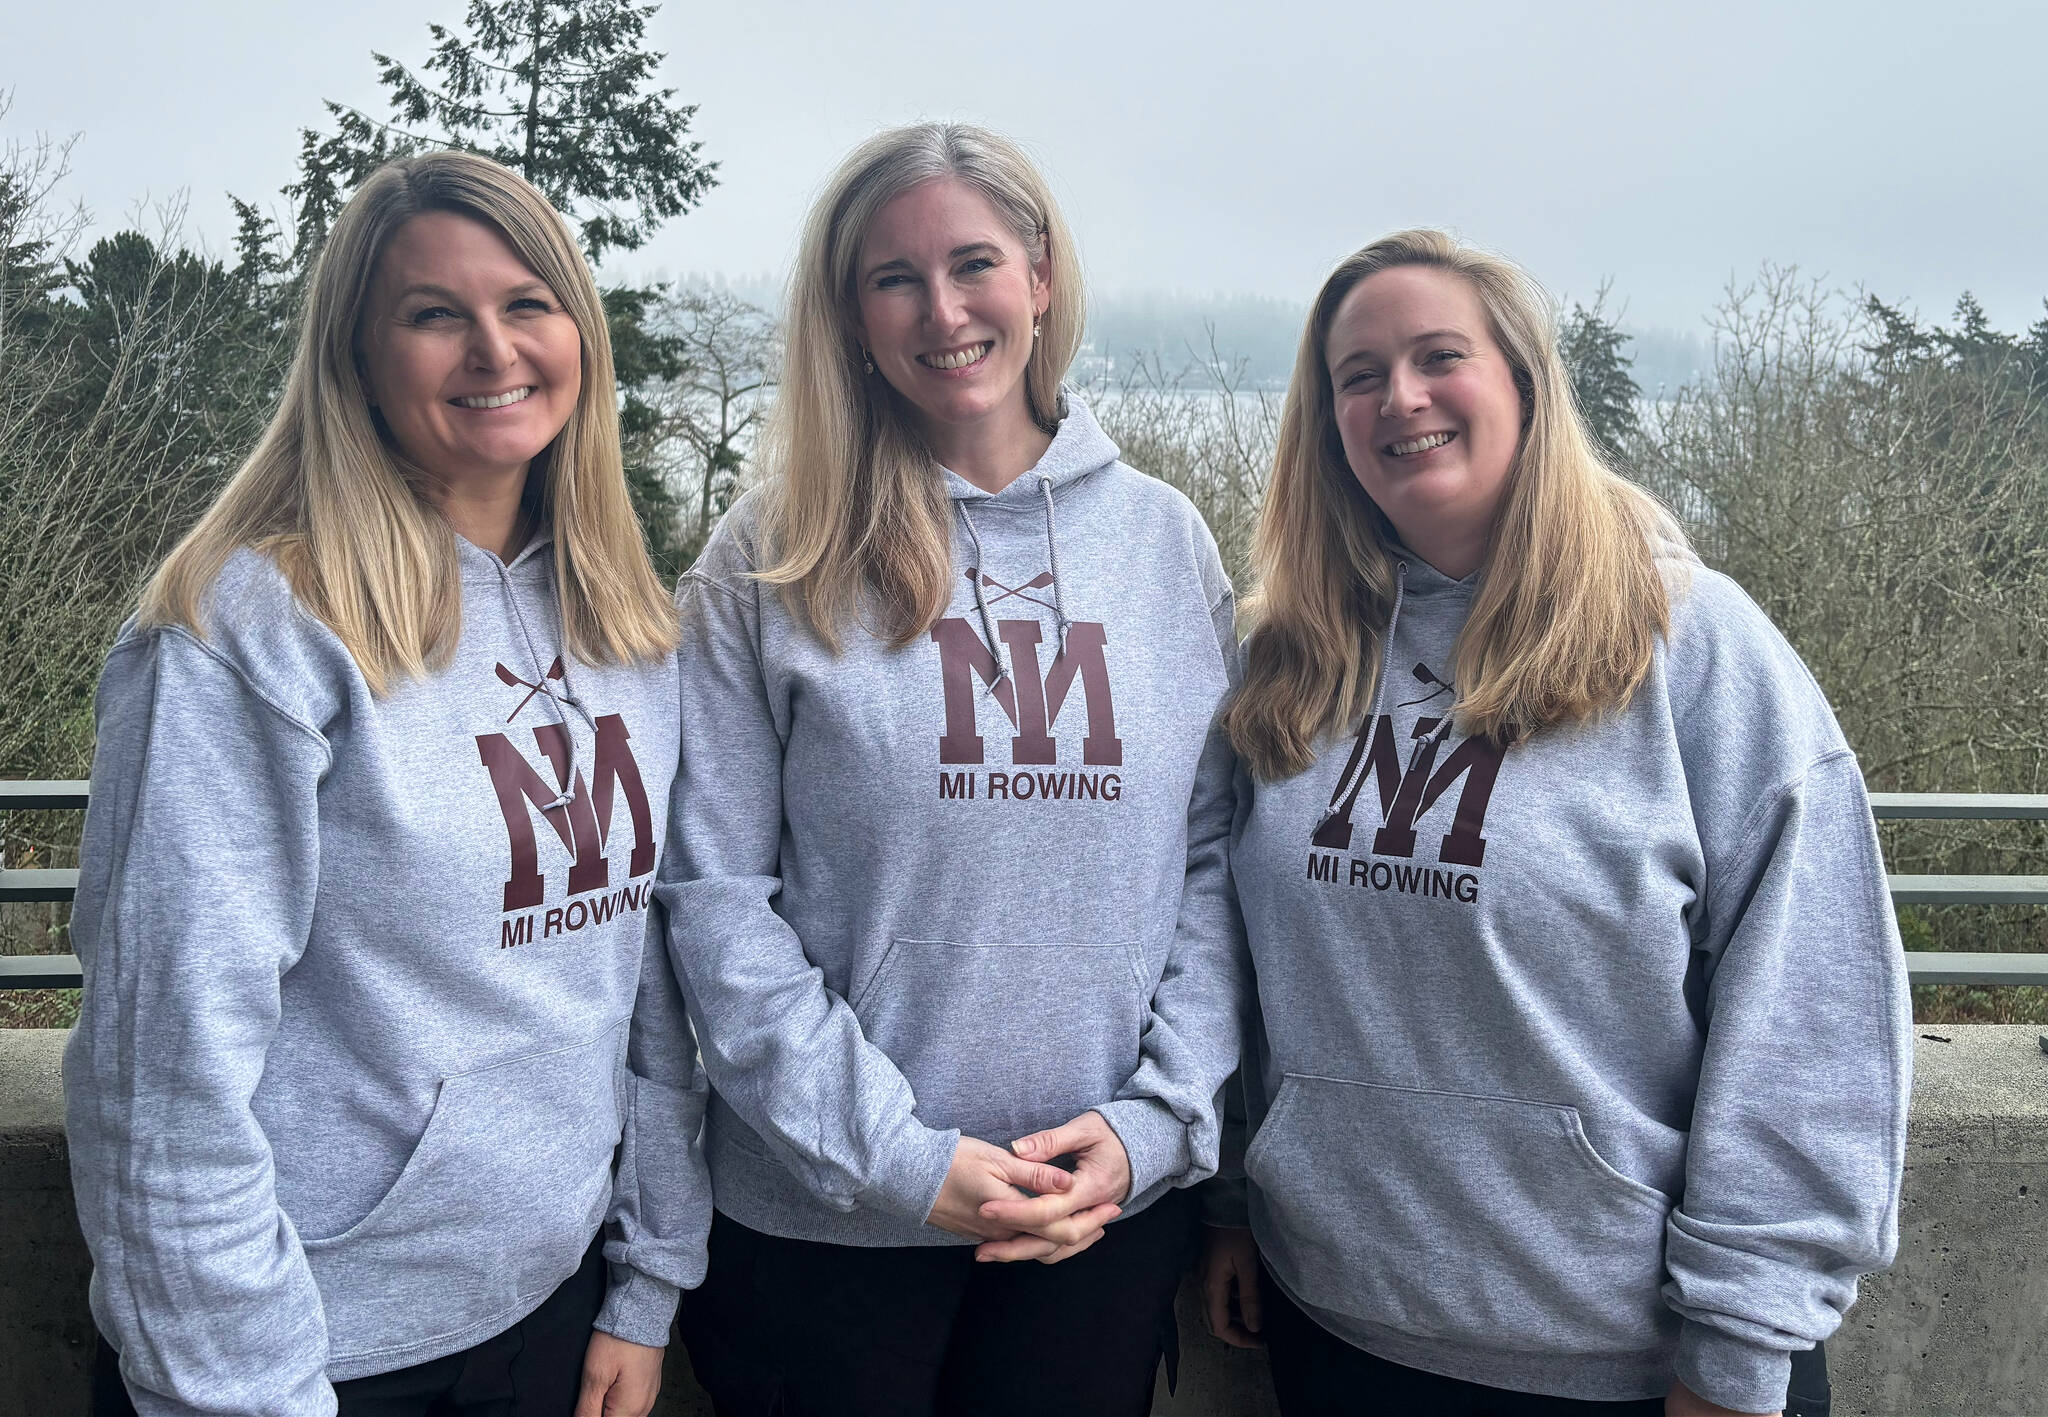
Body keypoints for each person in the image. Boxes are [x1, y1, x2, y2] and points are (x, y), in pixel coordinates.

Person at [1199, 229, 1909, 1417]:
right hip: (1336, 1326)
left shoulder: (1690, 646)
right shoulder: (1287, 661)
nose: (1399, 397)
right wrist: (1230, 1201)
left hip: (1623, 1363)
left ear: (1524, 385)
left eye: (1438, 356)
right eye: (1357, 373)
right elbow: (1240, 965)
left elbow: (1811, 1016)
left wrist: (1740, 1353)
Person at [64, 150, 707, 1417]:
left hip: (546, 1311)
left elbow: (632, 988)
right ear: (354, 355)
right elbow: (161, 1070)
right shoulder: (245, 631)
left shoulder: (628, 627)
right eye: (431, 314)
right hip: (308, 1353)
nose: (492, 347)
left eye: (528, 302)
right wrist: (244, 1393)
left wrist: (644, 1281)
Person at [659, 122, 1245, 1417]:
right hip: (820, 1240)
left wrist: (1153, 1131)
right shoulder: (772, 556)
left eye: (974, 263)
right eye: (894, 279)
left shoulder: (1163, 544)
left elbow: (1213, 871)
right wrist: (902, 1161)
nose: (943, 310)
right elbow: (711, 898)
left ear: (1040, 275)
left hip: (1093, 1225)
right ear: (850, 315)